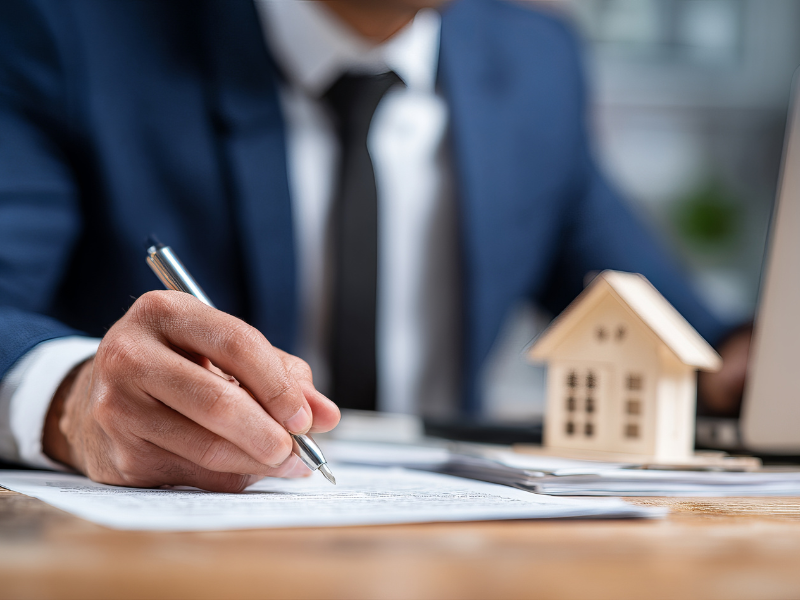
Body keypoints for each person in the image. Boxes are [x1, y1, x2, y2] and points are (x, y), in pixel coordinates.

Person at [0, 0, 747, 491]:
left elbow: (676, 334)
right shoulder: (71, 30)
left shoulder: (534, 62)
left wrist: (755, 367)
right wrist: (74, 401)